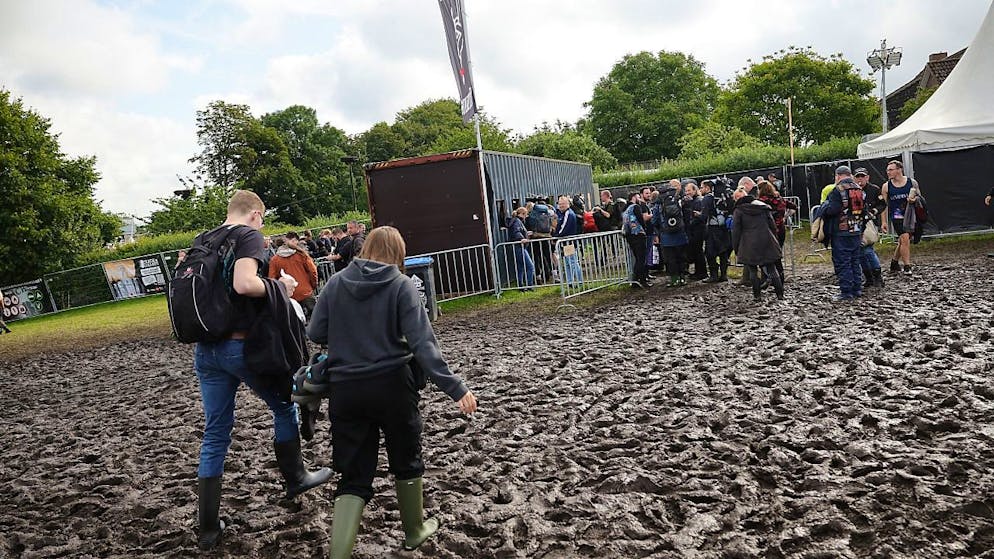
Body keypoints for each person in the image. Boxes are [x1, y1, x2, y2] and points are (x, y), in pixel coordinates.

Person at [306, 226, 477, 558]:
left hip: (346, 388)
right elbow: (423, 345)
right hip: (393, 385)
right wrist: (455, 388)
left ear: (365, 247)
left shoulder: (336, 283)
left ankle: (338, 554)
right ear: (398, 253)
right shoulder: (401, 286)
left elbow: (316, 331)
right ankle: (413, 531)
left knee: (353, 476)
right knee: (406, 459)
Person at [193, 190, 331, 551]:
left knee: (215, 432)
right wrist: (280, 286)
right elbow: (244, 284)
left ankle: (208, 527)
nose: (263, 224)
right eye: (263, 218)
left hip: (206, 351)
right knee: (284, 405)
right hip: (241, 345)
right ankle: (296, 477)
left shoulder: (203, 240)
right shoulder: (247, 236)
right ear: (254, 214)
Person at [731, 187, 784, 301]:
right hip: (767, 240)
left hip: (749, 243)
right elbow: (772, 226)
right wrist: (774, 239)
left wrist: (736, 248)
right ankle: (780, 294)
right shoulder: (763, 207)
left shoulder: (739, 211)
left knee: (753, 271)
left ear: (736, 199)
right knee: (772, 268)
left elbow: (735, 231)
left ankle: (757, 296)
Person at [823, 166, 866, 300]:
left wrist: (824, 208)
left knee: (843, 261)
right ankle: (857, 288)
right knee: (855, 260)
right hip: (856, 230)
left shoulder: (838, 190)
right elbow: (864, 210)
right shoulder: (859, 189)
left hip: (841, 231)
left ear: (838, 176)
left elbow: (832, 210)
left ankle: (846, 291)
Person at [881, 160, 920, 276]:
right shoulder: (886, 186)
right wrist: (883, 222)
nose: (888, 172)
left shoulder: (911, 182)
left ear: (899, 170)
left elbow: (919, 197)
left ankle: (894, 262)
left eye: (891, 170)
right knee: (905, 238)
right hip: (896, 215)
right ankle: (907, 266)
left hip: (909, 214)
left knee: (903, 240)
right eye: (887, 170)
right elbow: (883, 206)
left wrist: (914, 200)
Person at [268, 232, 319, 319]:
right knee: (316, 320)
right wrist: (313, 285)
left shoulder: (274, 260)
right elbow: (313, 271)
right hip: (306, 292)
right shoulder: (302, 255)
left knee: (295, 324)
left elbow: (272, 279)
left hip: (288, 295)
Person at [757, 180, 797, 283]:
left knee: (765, 256)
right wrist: (785, 216)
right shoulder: (780, 199)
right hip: (780, 229)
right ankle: (780, 279)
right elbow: (794, 206)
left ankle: (766, 278)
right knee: (777, 255)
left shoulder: (761, 201)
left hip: (768, 230)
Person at [854, 168, 886, 287]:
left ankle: (877, 277)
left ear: (867, 177)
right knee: (860, 253)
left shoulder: (874, 189)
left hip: (869, 224)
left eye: (862, 176)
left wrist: (874, 211)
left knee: (868, 250)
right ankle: (868, 277)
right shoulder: (852, 190)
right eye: (858, 176)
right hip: (855, 223)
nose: (860, 179)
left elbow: (882, 204)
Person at [700, 180, 732, 283]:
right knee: (723, 252)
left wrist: (698, 215)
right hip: (723, 228)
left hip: (712, 229)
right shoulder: (722, 198)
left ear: (707, 188)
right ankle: (723, 275)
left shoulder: (707, 199)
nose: (701, 189)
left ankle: (713, 275)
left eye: (702, 187)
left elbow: (704, 216)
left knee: (710, 253)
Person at [622, 192, 651, 288]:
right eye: (638, 197)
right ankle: (641, 280)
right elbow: (641, 220)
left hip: (629, 235)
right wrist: (644, 229)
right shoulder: (636, 207)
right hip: (638, 234)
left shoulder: (625, 208)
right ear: (634, 197)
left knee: (637, 258)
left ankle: (635, 280)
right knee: (641, 259)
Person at [554, 195, 583, 287]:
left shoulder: (568, 214)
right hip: (565, 242)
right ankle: (570, 282)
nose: (561, 206)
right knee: (567, 263)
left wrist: (556, 236)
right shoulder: (563, 213)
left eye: (563, 204)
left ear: (568, 204)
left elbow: (564, 228)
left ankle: (579, 281)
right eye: (560, 204)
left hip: (568, 242)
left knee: (573, 262)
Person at [683, 181, 707, 280]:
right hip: (693, 229)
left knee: (698, 251)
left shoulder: (698, 201)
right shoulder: (693, 201)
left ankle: (701, 273)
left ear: (694, 190)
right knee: (697, 251)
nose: (687, 192)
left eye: (689, 190)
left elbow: (696, 216)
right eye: (686, 191)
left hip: (698, 230)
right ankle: (698, 272)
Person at [506, 207, 536, 288]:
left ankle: (521, 285)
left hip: (517, 246)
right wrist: (522, 238)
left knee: (521, 267)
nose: (526, 216)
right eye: (526, 214)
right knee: (530, 266)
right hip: (519, 246)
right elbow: (517, 231)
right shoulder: (517, 221)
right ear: (522, 214)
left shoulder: (515, 221)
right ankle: (530, 285)